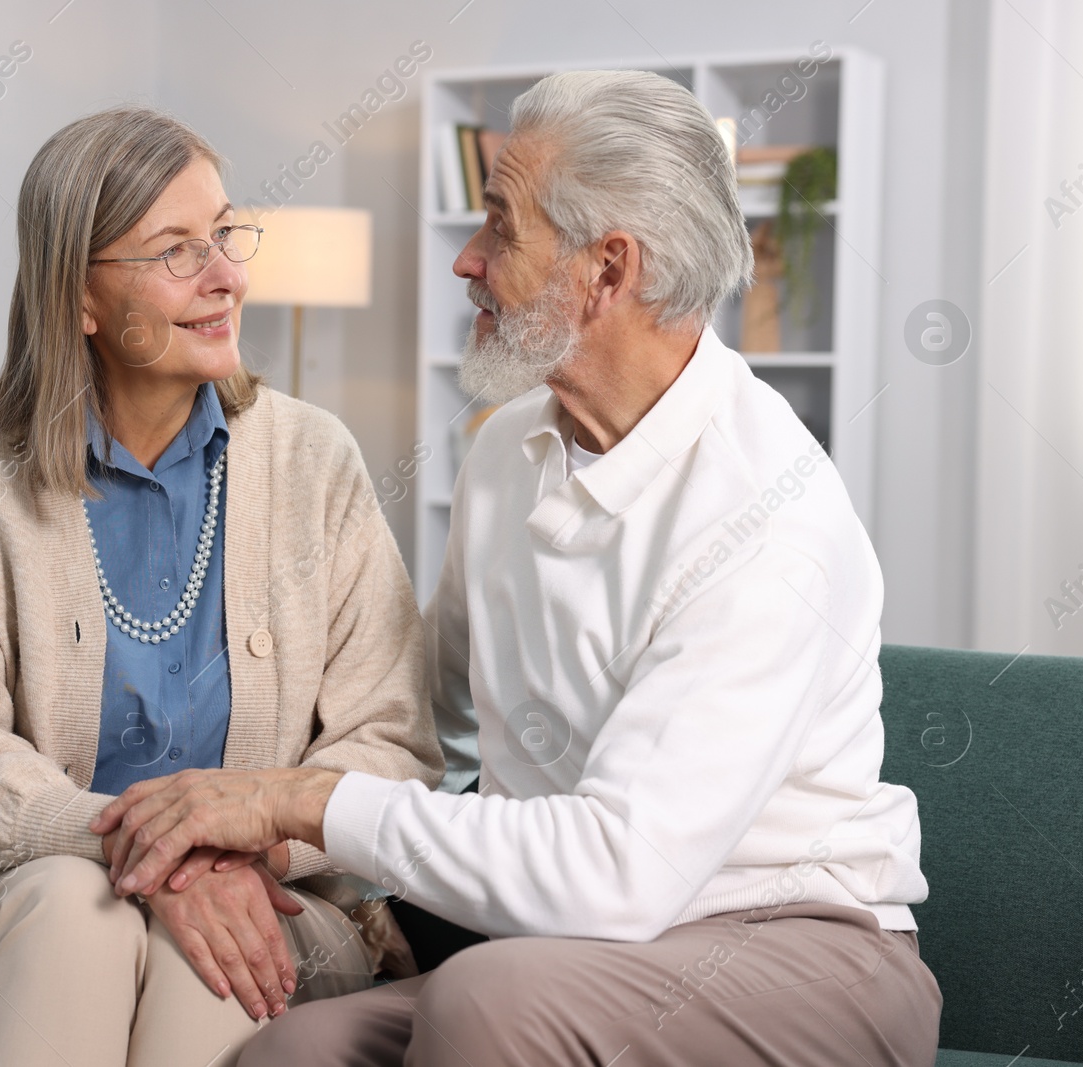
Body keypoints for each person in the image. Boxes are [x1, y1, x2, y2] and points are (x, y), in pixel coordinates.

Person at [90, 70, 944, 1066]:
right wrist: (239, 836)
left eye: (499, 226)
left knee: (488, 997)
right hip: (573, 955)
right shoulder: (510, 451)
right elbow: (426, 713)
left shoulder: (766, 517)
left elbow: (623, 870)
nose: (466, 259)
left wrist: (290, 798)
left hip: (802, 954)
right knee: (288, 1051)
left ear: (605, 271)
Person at [0, 105, 443, 1067]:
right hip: (11, 896)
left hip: (278, 896)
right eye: (176, 250)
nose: (227, 275)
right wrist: (147, 847)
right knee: (68, 910)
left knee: (197, 952)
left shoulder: (314, 462)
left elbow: (393, 742)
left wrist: (245, 834)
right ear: (80, 297)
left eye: (224, 234)